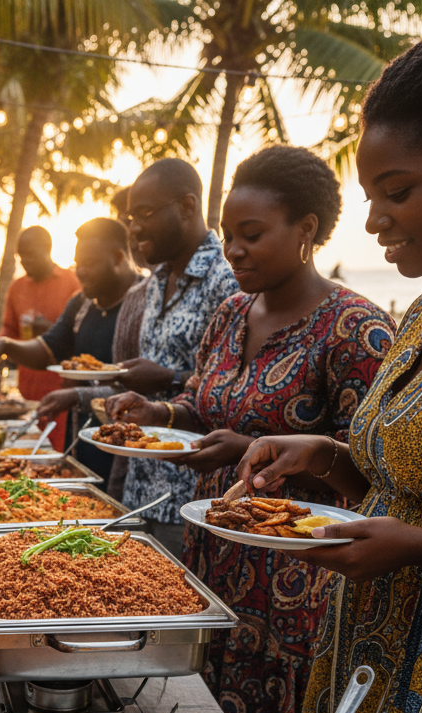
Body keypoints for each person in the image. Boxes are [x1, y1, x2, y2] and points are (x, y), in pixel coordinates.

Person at [235, 42, 422, 713]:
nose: (377, 216)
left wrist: (416, 543)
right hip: (360, 648)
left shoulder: (357, 320)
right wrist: (324, 455)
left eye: (396, 189)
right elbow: (389, 473)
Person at [107, 146, 393, 713]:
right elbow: (202, 402)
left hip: (298, 593)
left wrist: (289, 455)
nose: (232, 250)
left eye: (252, 235)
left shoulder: (355, 330)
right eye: (230, 235)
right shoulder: (230, 312)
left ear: (306, 231)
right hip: (209, 562)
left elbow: (378, 472)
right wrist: (164, 415)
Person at [118, 158, 239, 553]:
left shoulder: (228, 277)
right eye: (130, 217)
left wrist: (167, 378)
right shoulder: (158, 278)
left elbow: (234, 385)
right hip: (141, 484)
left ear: (187, 207)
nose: (134, 228)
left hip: (192, 496)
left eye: (145, 214)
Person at [0, 219, 145, 491]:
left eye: (88, 264)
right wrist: (5, 345)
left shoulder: (146, 301)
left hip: (131, 452)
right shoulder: (82, 302)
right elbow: (47, 349)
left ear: (118, 258)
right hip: (80, 440)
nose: (81, 273)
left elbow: (142, 385)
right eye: (78, 264)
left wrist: (76, 395)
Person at [0, 225, 81, 419]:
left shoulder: (72, 283)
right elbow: (8, 331)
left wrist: (51, 330)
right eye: (21, 256)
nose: (25, 261)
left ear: (48, 249)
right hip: (26, 390)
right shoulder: (17, 287)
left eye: (31, 255)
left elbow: (83, 339)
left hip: (62, 392)